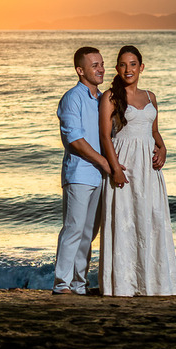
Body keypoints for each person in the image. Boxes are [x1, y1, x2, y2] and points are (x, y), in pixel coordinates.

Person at [98, 44, 176, 296]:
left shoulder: (150, 96)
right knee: (125, 220)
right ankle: (124, 285)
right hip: (125, 165)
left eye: (133, 64)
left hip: (149, 170)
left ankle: (152, 284)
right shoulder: (110, 97)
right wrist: (115, 168)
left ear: (141, 67)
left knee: (151, 219)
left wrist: (163, 148)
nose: (128, 69)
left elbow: (153, 131)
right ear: (117, 68)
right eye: (123, 64)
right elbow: (104, 137)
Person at [52, 46, 119, 295]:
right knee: (73, 228)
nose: (101, 69)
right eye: (94, 65)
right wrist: (104, 162)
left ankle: (79, 284)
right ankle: (62, 284)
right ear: (80, 70)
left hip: (100, 176)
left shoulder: (103, 99)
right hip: (80, 173)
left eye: (102, 64)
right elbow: (75, 140)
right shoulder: (73, 98)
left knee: (89, 232)